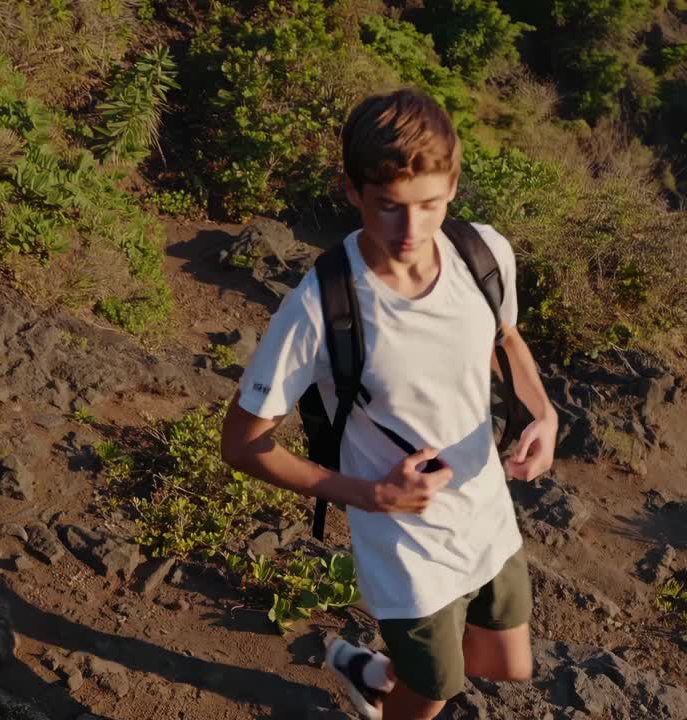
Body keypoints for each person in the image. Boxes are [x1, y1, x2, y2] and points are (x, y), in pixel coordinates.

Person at [220, 87, 558, 720]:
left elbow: (503, 336)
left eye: (429, 205)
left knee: (505, 665)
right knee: (433, 691)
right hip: (403, 537)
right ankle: (396, 689)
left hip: (485, 506)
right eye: (389, 208)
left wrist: (541, 412)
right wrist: (371, 496)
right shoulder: (320, 305)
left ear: (453, 183)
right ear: (353, 192)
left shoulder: (482, 253)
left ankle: (372, 674)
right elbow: (241, 443)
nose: (411, 231)